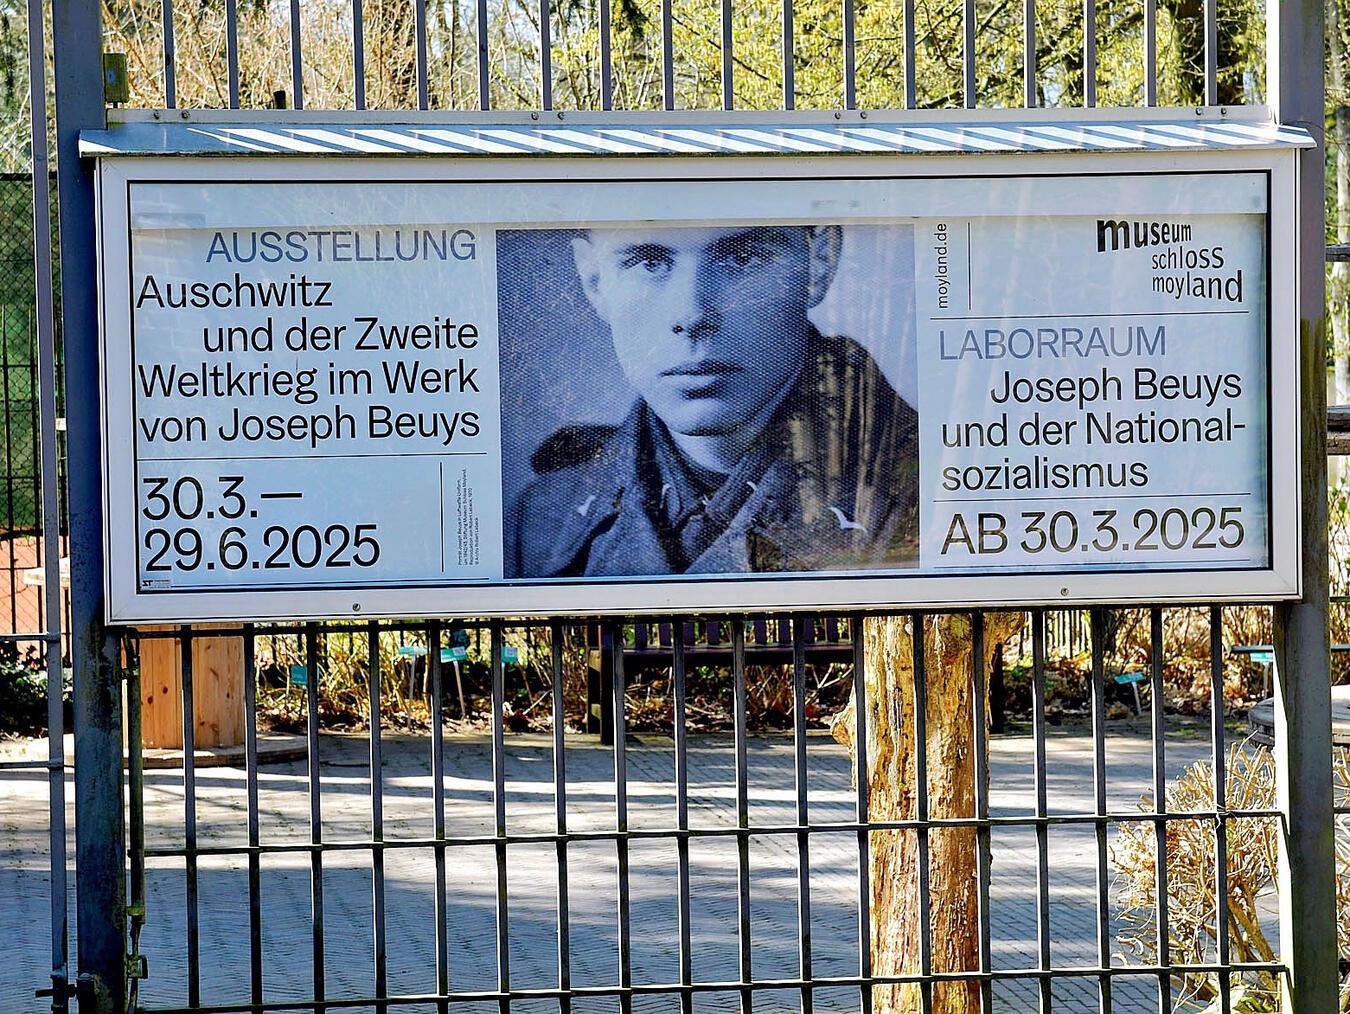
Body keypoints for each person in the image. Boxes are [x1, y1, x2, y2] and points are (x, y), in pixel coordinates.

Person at [508, 222, 919, 578]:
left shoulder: (928, 491)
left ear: (819, 261)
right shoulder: (541, 522)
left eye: (743, 257)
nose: (692, 314)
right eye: (649, 262)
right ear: (594, 279)